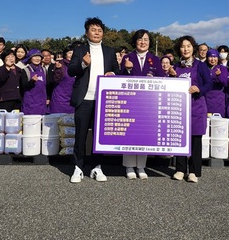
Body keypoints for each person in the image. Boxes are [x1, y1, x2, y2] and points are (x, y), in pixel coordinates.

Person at [68, 17, 120, 183]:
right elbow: (71, 71)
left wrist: (112, 73)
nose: (96, 33)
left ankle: (96, 167)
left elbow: (116, 70)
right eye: (93, 30)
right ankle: (78, 167)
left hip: (103, 101)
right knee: (81, 135)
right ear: (86, 33)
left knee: (99, 136)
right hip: (84, 99)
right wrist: (83, 64)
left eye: (99, 30)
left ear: (103, 33)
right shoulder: (80, 50)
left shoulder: (110, 51)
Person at [119, 29, 164, 180]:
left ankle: (141, 166)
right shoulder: (128, 57)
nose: (143, 42)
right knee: (130, 133)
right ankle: (129, 166)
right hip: (130, 102)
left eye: (146, 39)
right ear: (135, 42)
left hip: (148, 103)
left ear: (149, 42)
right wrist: (128, 69)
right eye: (140, 39)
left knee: (144, 132)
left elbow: (162, 79)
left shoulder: (155, 59)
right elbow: (120, 79)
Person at [168, 35, 212, 183]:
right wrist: (171, 77)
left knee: (195, 140)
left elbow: (209, 84)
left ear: (193, 48)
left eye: (188, 46)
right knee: (180, 139)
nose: (185, 49)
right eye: (182, 46)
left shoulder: (200, 65)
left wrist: (199, 89)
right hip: (179, 108)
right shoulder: (176, 66)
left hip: (196, 107)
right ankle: (180, 169)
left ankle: (193, 171)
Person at [49, 44, 77, 114]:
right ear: (65, 54)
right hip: (60, 98)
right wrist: (57, 70)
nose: (71, 55)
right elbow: (55, 79)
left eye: (73, 53)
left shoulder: (77, 65)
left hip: (72, 98)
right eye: (69, 53)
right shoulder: (60, 65)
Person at [20, 49, 48, 115]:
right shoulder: (25, 70)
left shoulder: (44, 70)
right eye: (35, 56)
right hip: (30, 102)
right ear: (30, 58)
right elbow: (23, 86)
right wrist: (32, 81)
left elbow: (47, 86)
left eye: (39, 57)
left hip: (42, 102)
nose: (37, 59)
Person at [205, 49, 227, 117]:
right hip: (206, 99)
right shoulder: (203, 68)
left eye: (215, 57)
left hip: (218, 100)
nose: (213, 59)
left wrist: (218, 76)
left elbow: (224, 82)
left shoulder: (222, 68)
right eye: (210, 57)